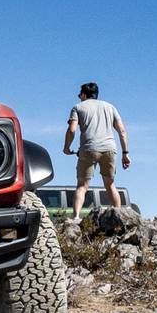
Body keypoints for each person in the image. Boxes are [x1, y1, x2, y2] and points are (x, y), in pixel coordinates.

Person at [62, 81, 130, 216]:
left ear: (83, 94)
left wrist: (67, 148)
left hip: (88, 148)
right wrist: (125, 153)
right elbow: (122, 131)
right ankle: (119, 216)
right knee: (110, 184)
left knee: (82, 185)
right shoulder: (110, 107)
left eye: (79, 95)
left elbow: (72, 130)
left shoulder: (78, 107)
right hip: (109, 148)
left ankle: (76, 218)